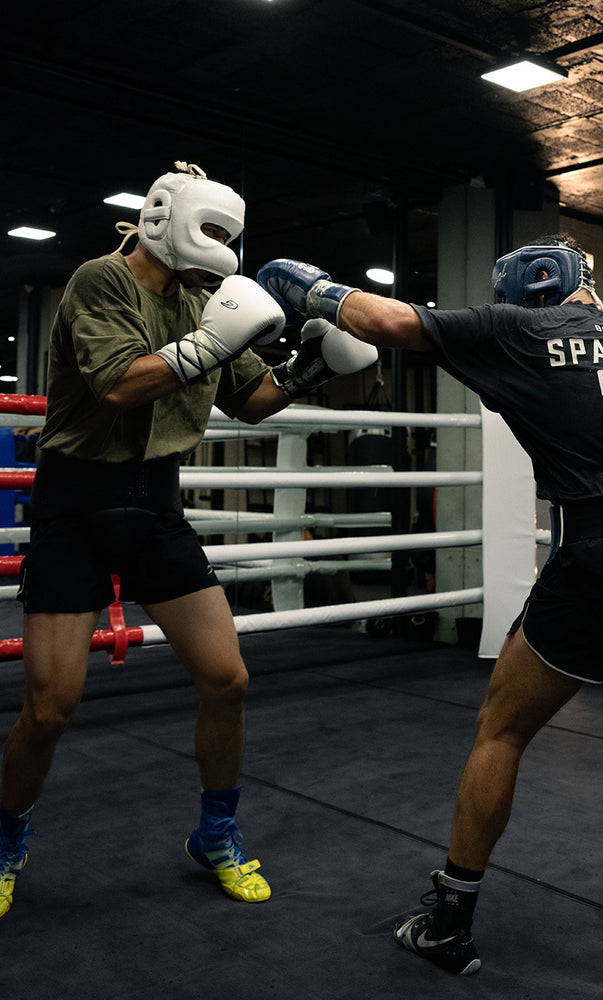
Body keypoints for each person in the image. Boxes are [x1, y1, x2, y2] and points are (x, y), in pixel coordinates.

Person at [256, 239, 603, 975]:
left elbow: (384, 321)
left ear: (527, 292)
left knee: (501, 730)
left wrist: (311, 288)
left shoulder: (518, 330)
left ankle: (448, 923)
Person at [0, 161, 377, 919]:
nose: (219, 247)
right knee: (50, 706)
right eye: (210, 229)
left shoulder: (211, 301)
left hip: (156, 503)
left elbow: (254, 403)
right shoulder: (98, 282)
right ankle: (7, 839)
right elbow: (117, 384)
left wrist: (310, 367)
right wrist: (212, 341)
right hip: (77, 502)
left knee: (227, 679)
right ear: (165, 217)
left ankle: (215, 834)